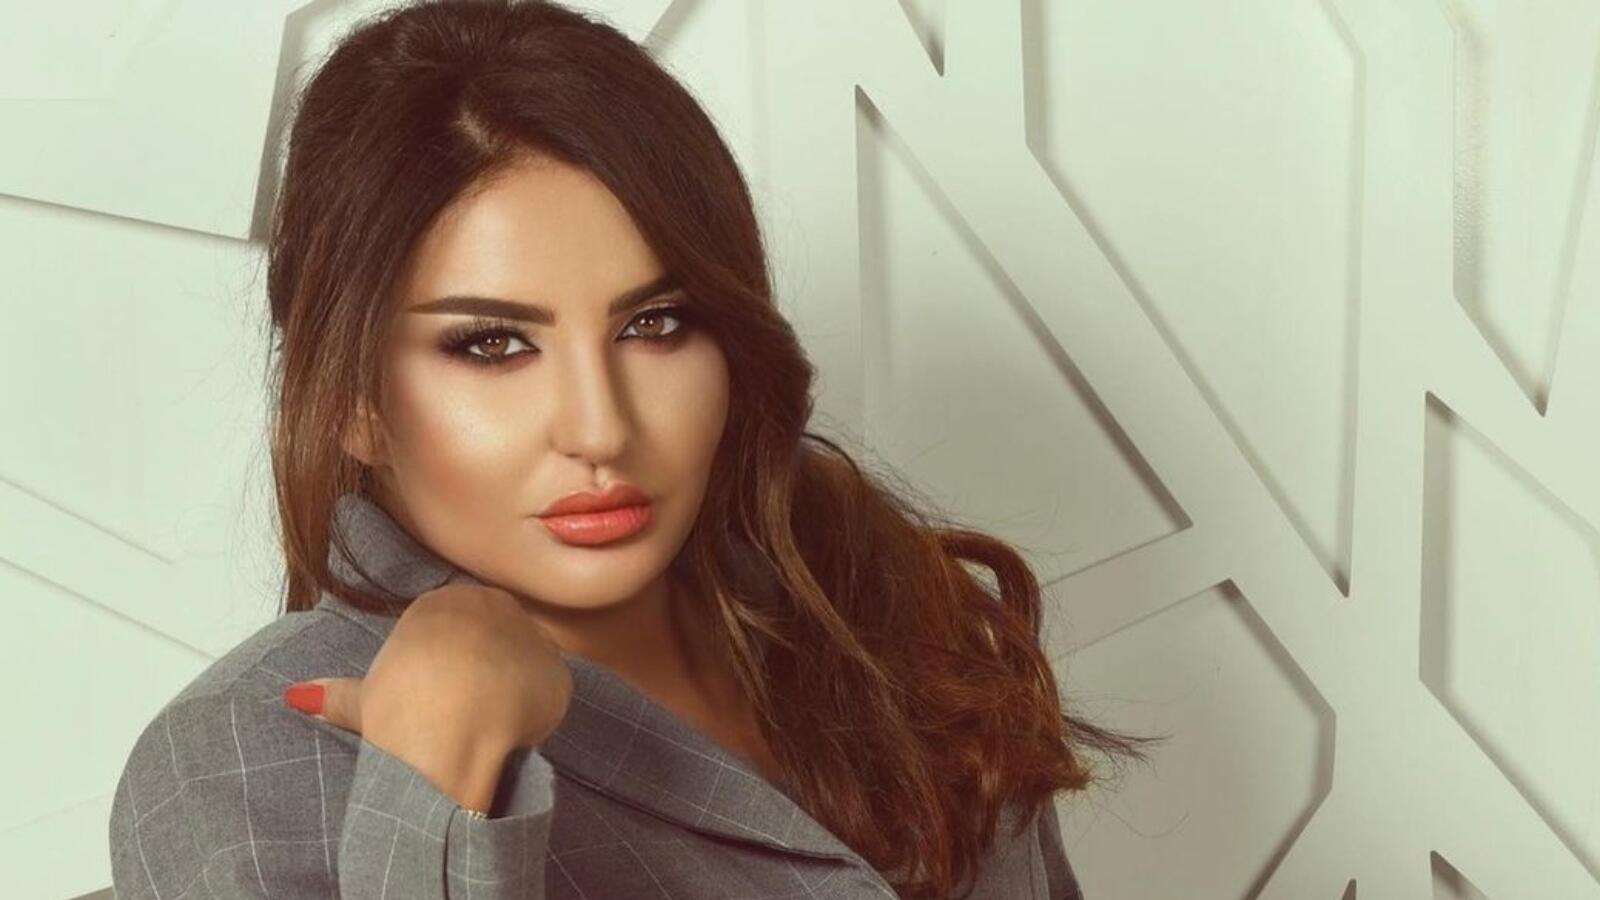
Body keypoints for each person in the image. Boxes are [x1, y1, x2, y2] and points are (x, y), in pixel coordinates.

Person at [106, 1, 1160, 897]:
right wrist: (436, 788)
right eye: (492, 344)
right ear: (352, 401)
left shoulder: (886, 612)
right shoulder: (237, 762)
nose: (600, 427)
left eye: (656, 324)